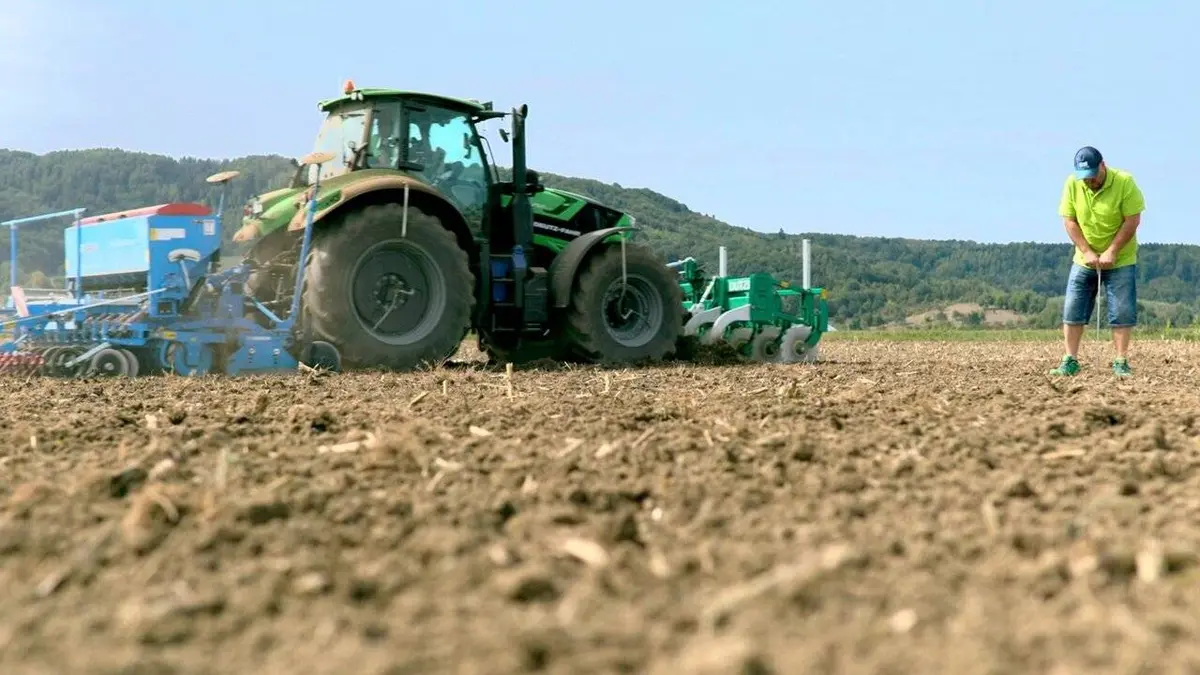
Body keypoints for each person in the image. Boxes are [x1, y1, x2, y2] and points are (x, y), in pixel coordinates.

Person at [1049, 146, 1145, 377]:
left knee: (1121, 310)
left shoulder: (1125, 182)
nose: (1089, 181)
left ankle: (1120, 361)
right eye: (1085, 177)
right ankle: (1070, 360)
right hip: (1084, 259)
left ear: (1103, 165)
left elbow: (1132, 220)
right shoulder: (1073, 184)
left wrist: (1112, 250)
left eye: (1093, 175)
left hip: (1120, 258)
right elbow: (1069, 221)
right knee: (1073, 307)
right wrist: (1087, 251)